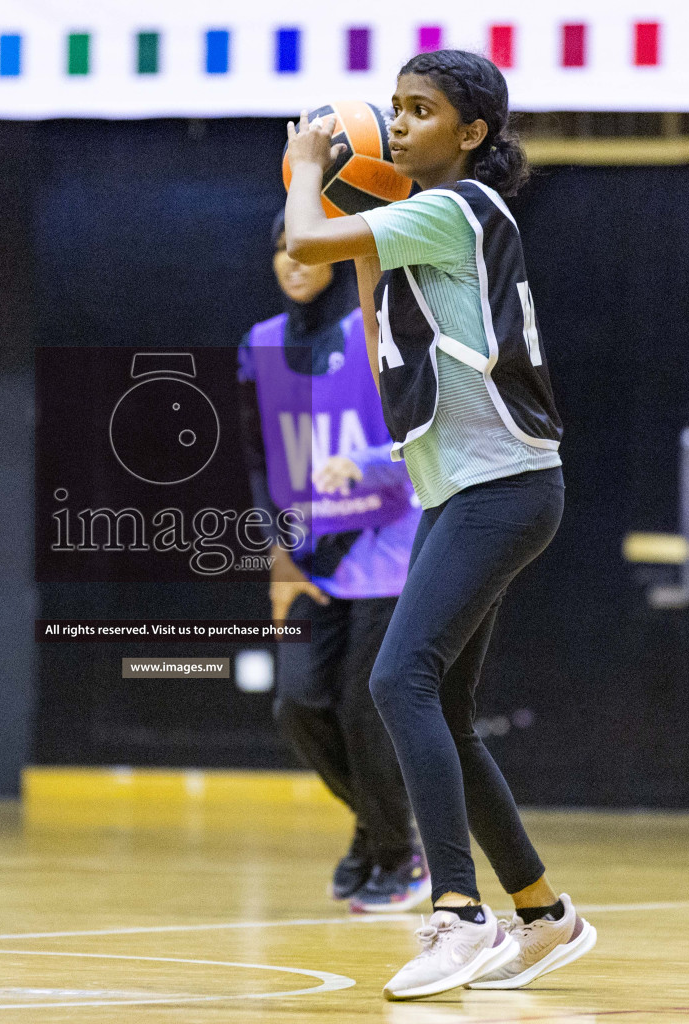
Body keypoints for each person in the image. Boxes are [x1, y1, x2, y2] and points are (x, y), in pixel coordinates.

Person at [282, 49, 595, 998]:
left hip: (502, 487)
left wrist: (307, 168)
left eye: (422, 112)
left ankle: (456, 911)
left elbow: (302, 246)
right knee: (444, 711)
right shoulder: (427, 222)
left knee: (396, 680)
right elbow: (381, 330)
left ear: (472, 135)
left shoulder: (455, 209)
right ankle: (545, 915)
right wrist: (359, 200)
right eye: (397, 109)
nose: (403, 122)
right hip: (466, 489)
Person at [238, 212, 425, 912]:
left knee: (362, 708)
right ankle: (387, 833)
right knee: (298, 704)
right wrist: (277, 551)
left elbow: (423, 437)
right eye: (281, 248)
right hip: (313, 557)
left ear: (334, 260)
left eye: (306, 249)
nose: (293, 260)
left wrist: (368, 465)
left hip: (387, 553)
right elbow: (262, 460)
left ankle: (396, 854)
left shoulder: (373, 330)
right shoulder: (260, 345)